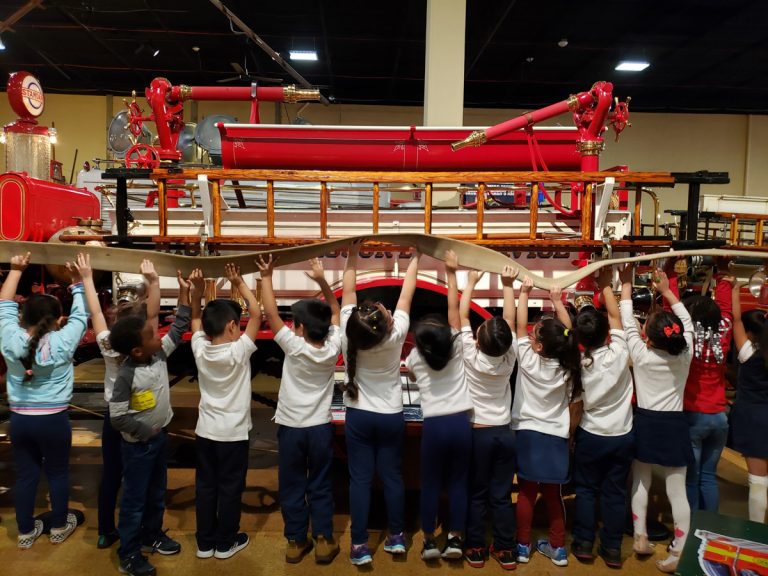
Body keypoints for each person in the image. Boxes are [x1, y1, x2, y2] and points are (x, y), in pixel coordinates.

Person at [256, 255, 342, 564]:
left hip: (292, 427)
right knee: (320, 482)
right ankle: (324, 539)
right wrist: (322, 280)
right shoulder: (334, 346)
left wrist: (266, 275)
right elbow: (335, 309)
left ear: (300, 327)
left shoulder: (294, 347)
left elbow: (269, 312)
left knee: (291, 482)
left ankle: (295, 541)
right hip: (320, 427)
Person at [0, 252, 89, 548]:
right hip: (54, 421)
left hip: (20, 420)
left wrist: (15, 270)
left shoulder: (10, 338)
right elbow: (81, 315)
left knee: (26, 476)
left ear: (22, 317)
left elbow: (3, 306)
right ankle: (59, 527)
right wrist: (78, 282)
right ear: (57, 320)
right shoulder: (63, 341)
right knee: (58, 473)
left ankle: (26, 532)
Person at [341, 240, 421, 565]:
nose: (389, 309)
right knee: (392, 477)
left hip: (358, 416)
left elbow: (347, 291)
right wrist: (416, 256)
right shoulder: (396, 335)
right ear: (388, 321)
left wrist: (350, 255)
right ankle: (397, 537)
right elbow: (407, 293)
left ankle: (359, 545)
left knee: (359, 480)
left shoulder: (349, 334)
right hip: (390, 415)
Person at [108, 271, 192, 576]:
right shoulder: (127, 376)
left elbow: (180, 327)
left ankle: (152, 535)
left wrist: (185, 293)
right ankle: (128, 554)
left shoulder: (157, 356)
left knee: (157, 493)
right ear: (136, 351)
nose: (160, 337)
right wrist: (146, 432)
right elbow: (117, 417)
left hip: (159, 440)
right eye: (152, 335)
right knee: (134, 501)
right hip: (139, 447)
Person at [79, 255, 161, 550]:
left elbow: (96, 313)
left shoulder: (108, 345)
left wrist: (87, 277)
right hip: (140, 420)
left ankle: (105, 530)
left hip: (114, 418)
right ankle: (142, 531)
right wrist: (153, 281)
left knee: (112, 474)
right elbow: (152, 316)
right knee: (142, 479)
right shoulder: (143, 350)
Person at [620, 265, 693, 574]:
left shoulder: (642, 355)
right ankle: (678, 551)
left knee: (640, 480)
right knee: (678, 492)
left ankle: (640, 537)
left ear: (647, 337)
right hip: (675, 423)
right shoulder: (686, 354)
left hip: (646, 422)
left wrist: (624, 284)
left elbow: (626, 322)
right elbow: (687, 321)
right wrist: (666, 292)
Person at [404, 251, 473, 563]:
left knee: (430, 483)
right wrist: (452, 272)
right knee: (459, 482)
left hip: (433, 426)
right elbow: (454, 311)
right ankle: (457, 539)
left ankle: (430, 540)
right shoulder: (457, 347)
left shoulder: (415, 359)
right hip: (461, 423)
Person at [190, 264, 260, 560]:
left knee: (206, 487)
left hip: (205, 432)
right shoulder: (238, 351)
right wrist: (238, 281)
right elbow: (258, 314)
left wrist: (195, 294)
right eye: (238, 323)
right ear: (232, 326)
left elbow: (195, 318)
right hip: (233, 435)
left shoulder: (200, 350)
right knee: (230, 489)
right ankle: (226, 541)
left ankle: (205, 543)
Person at [512, 276, 583, 568]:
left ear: (539, 347)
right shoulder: (569, 366)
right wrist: (557, 301)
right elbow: (571, 336)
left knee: (527, 492)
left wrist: (524, 292)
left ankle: (522, 546)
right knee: (554, 494)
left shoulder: (527, 361)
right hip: (556, 435)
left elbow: (517, 326)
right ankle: (557, 547)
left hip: (528, 433)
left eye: (534, 334)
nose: (529, 334)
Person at [567, 269, 634, 569]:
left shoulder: (579, 365)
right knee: (615, 493)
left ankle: (583, 543)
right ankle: (612, 549)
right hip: (621, 436)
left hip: (590, 435)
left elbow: (576, 406)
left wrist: (570, 435)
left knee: (586, 490)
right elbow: (617, 318)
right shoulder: (620, 351)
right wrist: (606, 286)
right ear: (606, 332)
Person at [459, 262, 519, 570]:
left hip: (477, 433)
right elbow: (508, 320)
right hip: (504, 434)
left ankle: (475, 547)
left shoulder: (470, 356)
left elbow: (461, 316)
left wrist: (470, 282)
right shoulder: (509, 357)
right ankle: (507, 550)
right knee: (501, 494)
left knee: (477, 493)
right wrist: (507, 284)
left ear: (478, 341)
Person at [662, 258, 734, 513]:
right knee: (708, 477)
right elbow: (725, 308)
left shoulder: (687, 341)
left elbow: (670, 312)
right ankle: (709, 526)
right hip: (719, 417)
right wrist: (723, 271)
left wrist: (669, 274)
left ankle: (690, 530)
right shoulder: (723, 331)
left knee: (691, 479)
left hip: (694, 416)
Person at [730, 280, 768, 523]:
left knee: (757, 480)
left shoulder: (748, 353)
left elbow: (735, 321)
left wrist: (734, 290)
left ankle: (756, 533)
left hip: (754, 418)